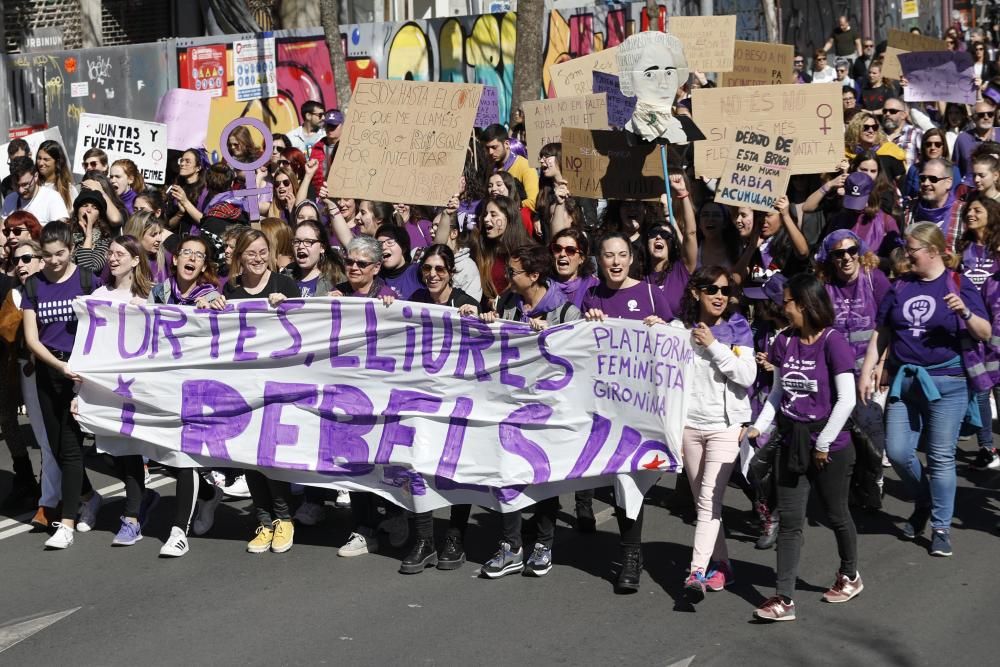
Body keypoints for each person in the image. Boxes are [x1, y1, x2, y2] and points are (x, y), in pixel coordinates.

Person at [860, 222, 991, 558]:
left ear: (933, 251)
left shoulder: (958, 283)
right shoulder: (900, 285)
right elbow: (882, 331)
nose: (906, 255)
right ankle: (924, 499)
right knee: (899, 451)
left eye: (912, 249)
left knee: (940, 456)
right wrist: (869, 368)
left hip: (948, 383)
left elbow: (985, 332)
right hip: (906, 381)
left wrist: (964, 312)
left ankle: (941, 526)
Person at [749, 274, 860, 622]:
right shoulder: (784, 341)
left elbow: (847, 400)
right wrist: (759, 425)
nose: (783, 308)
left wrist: (824, 443)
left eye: (788, 302)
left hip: (830, 446)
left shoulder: (833, 342)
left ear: (805, 304)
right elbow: (780, 392)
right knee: (791, 522)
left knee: (835, 514)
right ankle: (784, 598)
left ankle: (850, 575)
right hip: (793, 442)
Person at [476, 244, 582, 578]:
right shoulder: (506, 304)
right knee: (506, 474)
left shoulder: (566, 314)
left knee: (542, 478)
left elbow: (578, 362)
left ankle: (543, 543)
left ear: (534, 276)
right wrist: (487, 321)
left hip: (548, 411)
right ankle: (511, 547)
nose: (505, 276)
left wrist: (550, 338)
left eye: (512, 272)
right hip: (509, 407)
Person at [581, 233, 674, 592]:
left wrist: (663, 328)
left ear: (632, 258)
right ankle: (629, 553)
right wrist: (589, 324)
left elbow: (677, 337)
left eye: (622, 255)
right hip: (608, 408)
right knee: (622, 480)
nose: (616, 262)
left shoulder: (650, 293)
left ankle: (637, 557)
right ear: (599, 260)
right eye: (608, 256)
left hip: (644, 407)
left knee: (633, 479)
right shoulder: (592, 296)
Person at [20, 222, 102, 549]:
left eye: (60, 254)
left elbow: (105, 322)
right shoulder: (34, 286)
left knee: (70, 447)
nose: (54, 261)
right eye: (48, 255)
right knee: (54, 447)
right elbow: (31, 338)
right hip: (49, 370)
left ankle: (66, 523)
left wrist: (79, 366)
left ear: (70, 249)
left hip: (79, 371)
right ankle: (89, 496)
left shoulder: (86, 280)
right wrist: (58, 366)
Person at [399, 244, 479, 574]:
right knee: (416, 465)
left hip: (457, 401)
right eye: (427, 269)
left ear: (451, 273)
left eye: (439, 269)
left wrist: (479, 320)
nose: (432, 275)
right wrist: (388, 306)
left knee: (455, 469)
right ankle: (423, 540)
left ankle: (455, 538)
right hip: (419, 399)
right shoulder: (415, 302)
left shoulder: (466, 304)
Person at [219, 229, 301, 554]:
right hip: (245, 387)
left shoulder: (285, 285)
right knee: (249, 456)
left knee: (269, 455)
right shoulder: (233, 290)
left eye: (263, 251)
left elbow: (308, 327)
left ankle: (284, 519)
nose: (257, 258)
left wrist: (289, 307)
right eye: (250, 253)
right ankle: (264, 520)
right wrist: (209, 304)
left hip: (278, 386)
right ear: (239, 256)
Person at [678, 266, 756, 602]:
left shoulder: (738, 329)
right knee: (704, 503)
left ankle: (696, 571)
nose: (720, 295)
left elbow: (747, 375)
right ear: (696, 292)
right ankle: (723, 564)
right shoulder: (678, 330)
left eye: (725, 290)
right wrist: (652, 329)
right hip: (689, 428)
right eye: (712, 289)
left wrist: (713, 346)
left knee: (709, 498)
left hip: (726, 427)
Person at [148, 234, 226, 557]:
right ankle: (208, 493)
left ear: (204, 265)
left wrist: (214, 308)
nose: (192, 258)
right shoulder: (159, 293)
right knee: (164, 456)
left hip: (196, 389)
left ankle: (179, 531)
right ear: (175, 259)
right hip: (164, 388)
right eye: (187, 252)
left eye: (199, 255)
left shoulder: (208, 295)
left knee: (184, 457)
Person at [90, 235, 159, 546]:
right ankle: (143, 495)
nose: (113, 259)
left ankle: (131, 519)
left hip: (136, 388)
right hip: (105, 388)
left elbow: (161, 339)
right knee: (105, 452)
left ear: (135, 260)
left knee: (134, 451)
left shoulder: (146, 295)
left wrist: (145, 312)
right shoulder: (98, 294)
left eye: (120, 254)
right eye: (110, 254)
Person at [0, 240, 42, 512]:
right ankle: (25, 477)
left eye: (27, 258)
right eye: (18, 260)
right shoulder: (12, 292)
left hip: (37, 366)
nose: (21, 264)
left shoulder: (10, 286)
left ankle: (52, 486)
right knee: (7, 420)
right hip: (12, 366)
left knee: (45, 430)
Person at [903, 158, 965, 252]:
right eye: (922, 178)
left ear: (948, 183)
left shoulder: (963, 212)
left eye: (933, 179)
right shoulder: (911, 208)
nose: (926, 183)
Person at [481, 124, 539, 211]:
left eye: (494, 147)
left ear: (506, 144)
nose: (490, 152)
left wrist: (506, 208)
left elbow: (533, 202)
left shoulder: (525, 166)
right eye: (487, 148)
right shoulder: (490, 168)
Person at [1, 157, 70, 224]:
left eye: (25, 184)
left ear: (36, 176)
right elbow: (2, 231)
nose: (20, 190)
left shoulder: (52, 198)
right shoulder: (9, 199)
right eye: (16, 185)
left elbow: (62, 232)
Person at [902, 128, 959, 202]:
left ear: (943, 147)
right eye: (928, 144)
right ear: (923, 147)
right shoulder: (914, 169)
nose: (933, 147)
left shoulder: (953, 170)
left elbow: (957, 197)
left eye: (937, 144)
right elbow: (907, 196)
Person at [952, 101, 1000, 185]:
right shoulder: (962, 139)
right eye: (981, 115)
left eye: (990, 114)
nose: (986, 117)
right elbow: (956, 169)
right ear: (973, 118)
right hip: (971, 190)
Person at [550, 228, 598, 309]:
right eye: (557, 248)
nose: (562, 254)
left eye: (570, 250)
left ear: (581, 258)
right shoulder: (544, 285)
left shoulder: (594, 287)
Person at [70, 190, 112, 275]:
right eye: (85, 206)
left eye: (94, 207)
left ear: (99, 215)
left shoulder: (104, 242)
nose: (88, 210)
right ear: (77, 211)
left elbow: (88, 269)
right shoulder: (65, 233)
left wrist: (88, 236)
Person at [881, 98, 922, 172]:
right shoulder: (877, 135)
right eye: (884, 111)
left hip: (908, 180)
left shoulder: (916, 133)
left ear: (903, 115)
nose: (887, 114)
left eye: (892, 111)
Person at [309, 109, 344, 194]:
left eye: (334, 126)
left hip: (343, 196)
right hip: (321, 196)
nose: (330, 129)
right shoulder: (317, 148)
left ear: (342, 126)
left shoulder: (349, 147)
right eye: (328, 125)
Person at [35, 140, 77, 211]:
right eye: (39, 158)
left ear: (57, 162)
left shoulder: (69, 190)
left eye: (46, 159)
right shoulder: (33, 186)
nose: (41, 163)